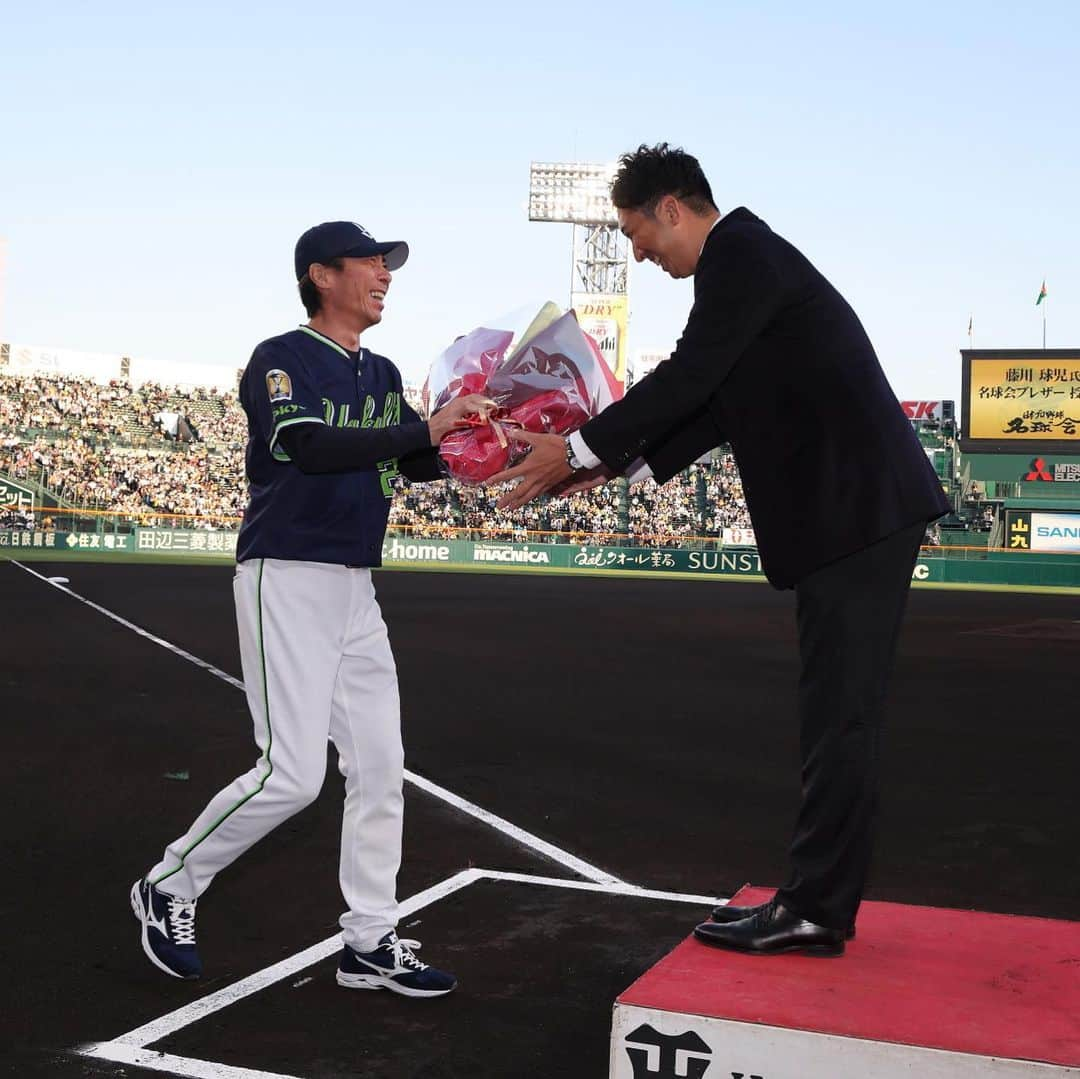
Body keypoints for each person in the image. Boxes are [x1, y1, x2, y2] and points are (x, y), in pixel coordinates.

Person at [494, 144, 949, 957]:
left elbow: (694, 375)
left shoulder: (740, 254)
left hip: (859, 512)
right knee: (834, 714)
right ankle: (815, 900)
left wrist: (577, 449)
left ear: (673, 207)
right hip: (852, 515)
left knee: (840, 717)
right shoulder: (746, 265)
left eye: (637, 233)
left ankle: (815, 907)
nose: (637, 251)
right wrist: (595, 465)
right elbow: (715, 405)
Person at [131, 220, 492, 995]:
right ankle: (171, 884)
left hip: (356, 584)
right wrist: (422, 428)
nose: (383, 273)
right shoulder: (282, 357)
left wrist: (479, 439)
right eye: (370, 261)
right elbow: (307, 445)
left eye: (386, 263)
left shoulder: (385, 369)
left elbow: (412, 455)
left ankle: (368, 940)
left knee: (380, 766)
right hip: (287, 572)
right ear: (320, 275)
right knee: (292, 774)